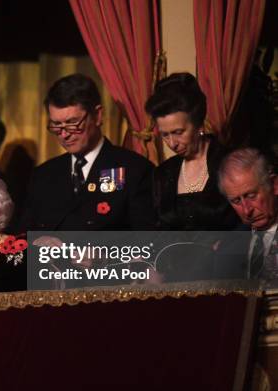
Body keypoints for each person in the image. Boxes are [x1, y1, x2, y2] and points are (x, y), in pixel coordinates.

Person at [21, 74, 155, 231]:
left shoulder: (135, 170)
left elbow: (148, 243)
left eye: (72, 123)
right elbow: (23, 237)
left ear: (97, 116)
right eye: (56, 125)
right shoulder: (43, 176)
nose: (64, 134)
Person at [145, 73, 239, 230]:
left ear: (199, 125)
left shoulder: (230, 163)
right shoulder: (162, 173)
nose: (172, 143)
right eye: (165, 135)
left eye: (178, 132)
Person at [218, 148, 277, 282]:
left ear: (274, 185)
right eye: (236, 201)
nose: (246, 210)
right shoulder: (228, 246)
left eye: (251, 196)